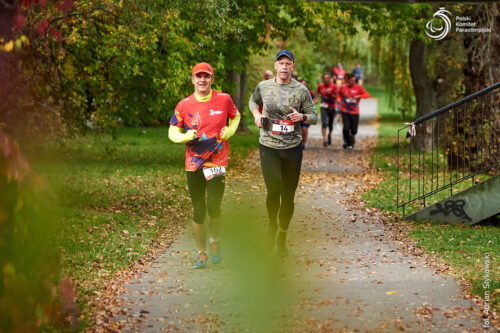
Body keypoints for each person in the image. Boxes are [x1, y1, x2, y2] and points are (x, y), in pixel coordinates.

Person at [169, 62, 240, 268]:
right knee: (199, 210)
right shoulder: (184, 104)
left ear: (212, 79)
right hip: (193, 164)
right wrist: (184, 137)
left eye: (206, 76)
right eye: (198, 76)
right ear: (192, 80)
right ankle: (201, 253)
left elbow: (236, 117)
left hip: (217, 162)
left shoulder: (224, 99)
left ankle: (214, 241)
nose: (202, 80)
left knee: (214, 206)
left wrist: (230, 131)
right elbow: (172, 130)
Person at [249, 50, 318, 256]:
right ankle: (272, 225)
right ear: (276, 66)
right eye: (281, 63)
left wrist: (302, 116)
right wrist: (256, 114)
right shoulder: (264, 86)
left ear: (292, 67)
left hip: (292, 148)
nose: (284, 67)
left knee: (288, 195)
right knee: (273, 190)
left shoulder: (301, 90)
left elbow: (314, 117)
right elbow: (253, 101)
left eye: (288, 63)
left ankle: (282, 234)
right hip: (268, 145)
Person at [338, 72, 370, 152]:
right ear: (348, 80)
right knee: (346, 128)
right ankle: (349, 143)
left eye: (354, 80)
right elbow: (339, 95)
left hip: (355, 112)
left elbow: (367, 95)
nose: (353, 81)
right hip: (345, 111)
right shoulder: (343, 87)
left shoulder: (358, 88)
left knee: (354, 130)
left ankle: (350, 139)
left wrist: (360, 96)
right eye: (351, 80)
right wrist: (339, 100)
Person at [316, 73, 338, 147]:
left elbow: (336, 96)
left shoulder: (334, 86)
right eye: (325, 78)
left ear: (330, 79)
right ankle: (324, 138)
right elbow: (317, 92)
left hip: (332, 107)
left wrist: (330, 94)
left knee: (330, 125)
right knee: (324, 123)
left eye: (327, 78)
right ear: (323, 79)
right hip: (323, 107)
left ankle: (329, 135)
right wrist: (316, 98)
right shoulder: (320, 85)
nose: (326, 80)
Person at [299, 78, 316, 150]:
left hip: (306, 114)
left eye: (304, 85)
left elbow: (315, 101)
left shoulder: (310, 93)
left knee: (304, 129)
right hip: (297, 113)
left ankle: (303, 143)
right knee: (298, 130)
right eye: (301, 85)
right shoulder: (295, 92)